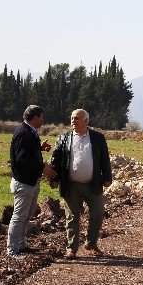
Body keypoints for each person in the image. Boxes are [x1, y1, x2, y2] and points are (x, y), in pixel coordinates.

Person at [50, 109, 112, 259]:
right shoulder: (64, 138)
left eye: (77, 118)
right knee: (72, 217)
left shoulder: (97, 138)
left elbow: (104, 158)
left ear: (86, 121)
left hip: (93, 183)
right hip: (71, 184)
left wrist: (107, 177)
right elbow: (56, 159)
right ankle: (72, 248)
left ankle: (91, 243)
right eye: (72, 118)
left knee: (98, 212)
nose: (73, 121)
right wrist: (54, 178)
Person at [7, 105, 56, 260]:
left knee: (26, 215)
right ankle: (12, 249)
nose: (43, 120)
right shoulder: (24, 133)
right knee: (19, 216)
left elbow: (26, 153)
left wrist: (39, 149)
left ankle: (21, 244)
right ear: (35, 117)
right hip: (24, 182)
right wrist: (43, 167)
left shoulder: (29, 132)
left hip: (30, 181)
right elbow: (22, 159)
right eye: (41, 117)